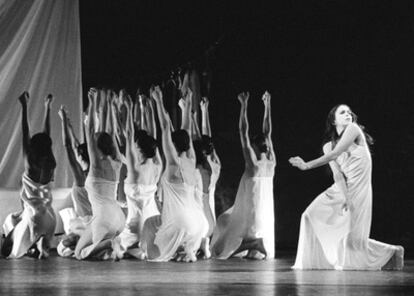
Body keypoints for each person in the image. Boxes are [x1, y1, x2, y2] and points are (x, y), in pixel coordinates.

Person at [289, 104, 404, 270]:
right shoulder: (327, 146)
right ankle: (317, 262)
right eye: (342, 112)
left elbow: (335, 154)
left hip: (360, 189)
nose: (348, 114)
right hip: (341, 189)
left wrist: (307, 165)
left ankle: (392, 251)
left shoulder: (353, 129)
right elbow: (338, 175)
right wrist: (345, 197)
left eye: (349, 112)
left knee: (353, 241)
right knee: (309, 216)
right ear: (334, 121)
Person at [145, 86, 208, 262]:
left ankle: (182, 248)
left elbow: (165, 127)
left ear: (172, 145)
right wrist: (187, 106)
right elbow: (186, 131)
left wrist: (158, 100)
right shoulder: (192, 159)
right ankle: (187, 249)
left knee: (151, 246)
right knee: (163, 225)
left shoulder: (173, 163)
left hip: (181, 222)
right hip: (198, 222)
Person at [211, 91, 276, 260]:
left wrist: (244, 105)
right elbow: (268, 133)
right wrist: (267, 105)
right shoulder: (272, 162)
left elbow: (243, 132)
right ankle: (254, 245)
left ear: (254, 146)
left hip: (253, 214)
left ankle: (254, 243)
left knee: (220, 248)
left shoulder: (253, 165)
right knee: (225, 220)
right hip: (265, 214)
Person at [1, 92, 57, 259]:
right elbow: (47, 136)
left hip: (35, 219)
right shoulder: (51, 163)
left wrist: (24, 107)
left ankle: (34, 244)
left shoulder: (30, 164)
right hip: (50, 218)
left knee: (6, 251)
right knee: (15, 219)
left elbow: (25, 133)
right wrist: (48, 108)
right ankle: (38, 244)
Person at [73, 88, 125, 260]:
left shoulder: (96, 165)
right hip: (119, 219)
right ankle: (109, 244)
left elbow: (89, 131)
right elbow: (109, 132)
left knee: (79, 254)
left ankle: (109, 243)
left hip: (104, 219)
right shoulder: (117, 162)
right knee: (99, 254)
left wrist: (93, 101)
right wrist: (108, 105)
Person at [115, 93, 162, 259]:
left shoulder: (134, 169)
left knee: (113, 243)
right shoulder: (158, 165)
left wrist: (128, 110)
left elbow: (128, 134)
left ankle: (136, 248)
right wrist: (148, 109)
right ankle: (141, 249)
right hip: (154, 223)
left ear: (139, 149)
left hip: (135, 226)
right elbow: (154, 138)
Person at [56, 105, 92, 257]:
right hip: (93, 219)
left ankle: (83, 243)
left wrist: (63, 121)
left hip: (86, 223)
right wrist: (69, 125)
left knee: (62, 248)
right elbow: (77, 145)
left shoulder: (80, 177)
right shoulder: (95, 171)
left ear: (80, 157)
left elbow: (69, 146)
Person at [191, 97, 221, 251]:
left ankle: (199, 244)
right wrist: (204, 111)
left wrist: (192, 118)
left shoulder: (200, 166)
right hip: (209, 207)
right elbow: (208, 139)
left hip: (201, 205)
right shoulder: (215, 163)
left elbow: (200, 139)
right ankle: (204, 243)